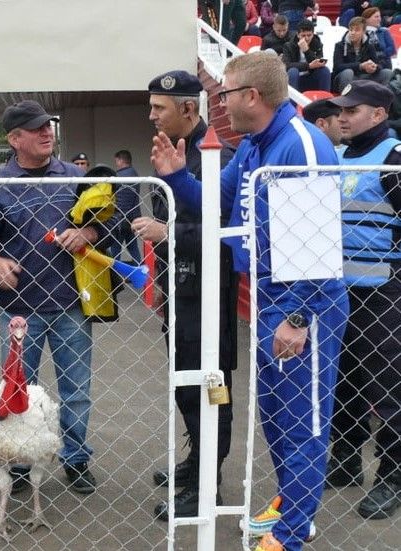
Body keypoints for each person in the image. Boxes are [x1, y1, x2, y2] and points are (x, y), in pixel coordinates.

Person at [150, 51, 348, 551]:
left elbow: (314, 245)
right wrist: (176, 176)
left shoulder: (299, 145)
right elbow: (216, 203)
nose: (220, 103)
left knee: (304, 422)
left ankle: (290, 536)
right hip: (270, 299)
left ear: (252, 97)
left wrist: (299, 317)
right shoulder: (255, 144)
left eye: (225, 95)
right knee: (279, 419)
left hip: (304, 304)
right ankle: (289, 506)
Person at [0, 99, 118, 495]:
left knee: (76, 390)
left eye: (47, 125)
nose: (46, 132)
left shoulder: (73, 177)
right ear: (14, 139)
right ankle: (16, 463)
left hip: (71, 305)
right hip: (18, 312)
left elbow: (112, 225)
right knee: (17, 391)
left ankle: (77, 458)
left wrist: (89, 234)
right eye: (35, 128)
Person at [138, 70, 239, 522]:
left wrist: (169, 232)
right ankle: (197, 464)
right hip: (178, 293)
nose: (152, 116)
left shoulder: (220, 158)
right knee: (185, 390)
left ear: (189, 109)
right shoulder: (170, 150)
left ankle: (207, 488)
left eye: (160, 108)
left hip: (210, 297)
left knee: (211, 392)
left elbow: (225, 232)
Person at [325, 80, 401, 520]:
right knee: (344, 380)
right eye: (341, 110)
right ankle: (348, 460)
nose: (344, 117)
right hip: (339, 290)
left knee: (388, 388)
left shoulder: (394, 159)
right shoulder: (333, 157)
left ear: (379, 114)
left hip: (384, 293)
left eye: (354, 110)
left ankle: (392, 474)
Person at [333, 17, 393, 95]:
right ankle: (347, 100)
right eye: (351, 29)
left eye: (357, 30)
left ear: (363, 32)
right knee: (348, 72)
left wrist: (374, 67)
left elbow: (378, 64)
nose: (352, 32)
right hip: (347, 78)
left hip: (364, 77)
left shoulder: (369, 46)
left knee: (387, 73)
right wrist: (360, 66)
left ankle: (379, 100)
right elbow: (337, 67)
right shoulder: (340, 45)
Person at [281, 19, 331, 93]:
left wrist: (307, 51)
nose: (307, 38)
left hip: (310, 78)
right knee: (293, 71)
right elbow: (287, 65)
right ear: (298, 35)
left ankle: (325, 100)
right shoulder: (289, 46)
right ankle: (294, 103)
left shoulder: (317, 43)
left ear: (313, 34)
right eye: (303, 35)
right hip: (294, 79)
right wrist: (308, 66)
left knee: (324, 70)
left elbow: (318, 62)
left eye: (309, 35)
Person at [112, 149, 142, 262]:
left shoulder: (118, 177)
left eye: (116, 161)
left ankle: (114, 276)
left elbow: (119, 201)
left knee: (114, 251)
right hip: (132, 219)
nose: (116, 164)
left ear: (120, 160)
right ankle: (141, 274)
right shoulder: (135, 174)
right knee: (133, 249)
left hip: (119, 219)